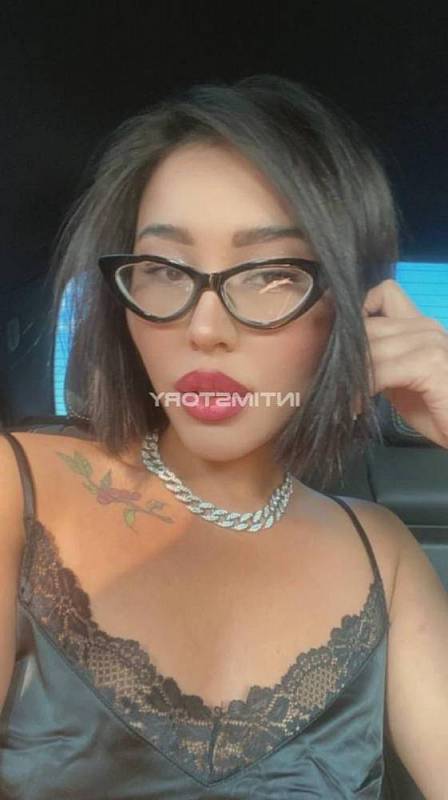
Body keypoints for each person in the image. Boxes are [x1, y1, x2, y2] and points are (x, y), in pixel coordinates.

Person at [0, 74, 447, 799]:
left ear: (353, 309)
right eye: (162, 269)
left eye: (271, 275)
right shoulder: (16, 489)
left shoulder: (384, 553)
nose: (204, 328)